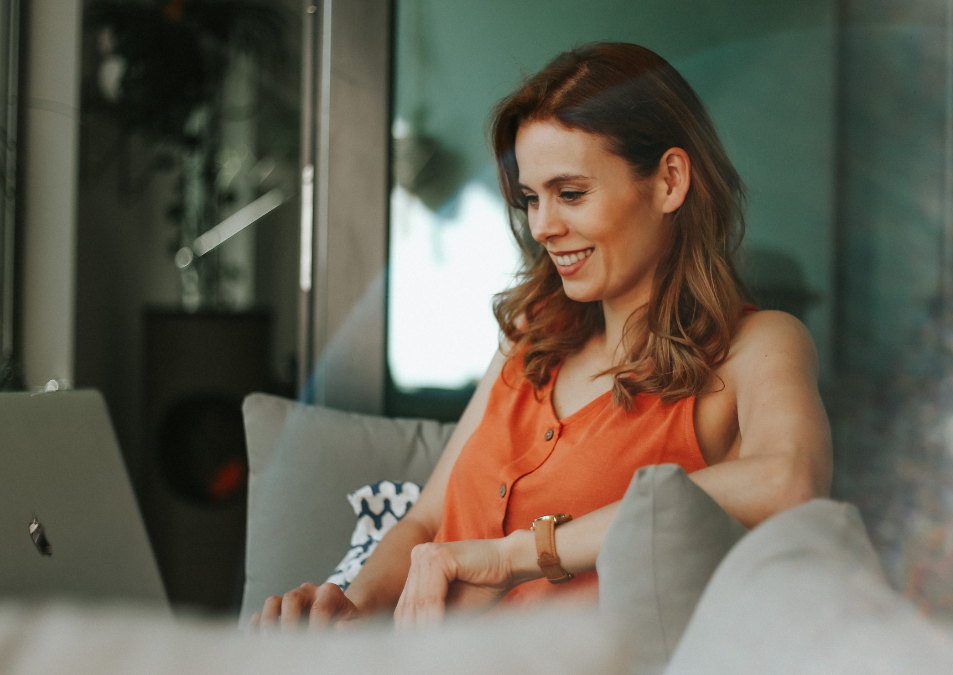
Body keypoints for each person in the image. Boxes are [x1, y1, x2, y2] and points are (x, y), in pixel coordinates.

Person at [252, 42, 832, 631]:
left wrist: (516, 557)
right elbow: (428, 522)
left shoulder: (756, 347)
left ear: (669, 181)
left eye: (571, 193)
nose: (543, 227)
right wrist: (345, 609)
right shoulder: (532, 337)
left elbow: (790, 480)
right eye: (532, 198)